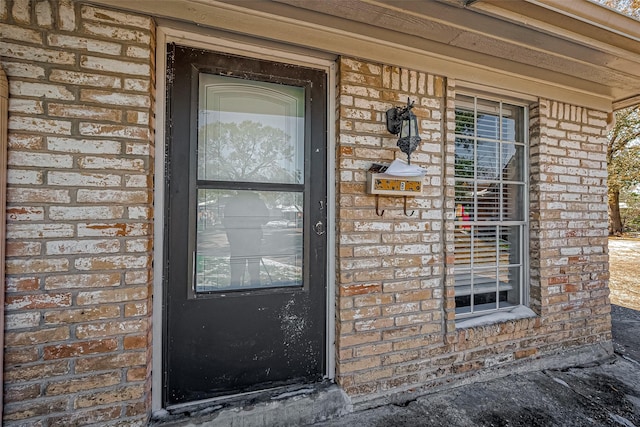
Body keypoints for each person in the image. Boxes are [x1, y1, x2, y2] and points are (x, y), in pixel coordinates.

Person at [222, 192, 270, 287]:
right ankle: (254, 288)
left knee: (237, 267)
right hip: (252, 239)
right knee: (254, 267)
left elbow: (226, 221)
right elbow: (265, 219)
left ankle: (234, 288)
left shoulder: (232, 202)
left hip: (237, 239)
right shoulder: (258, 202)